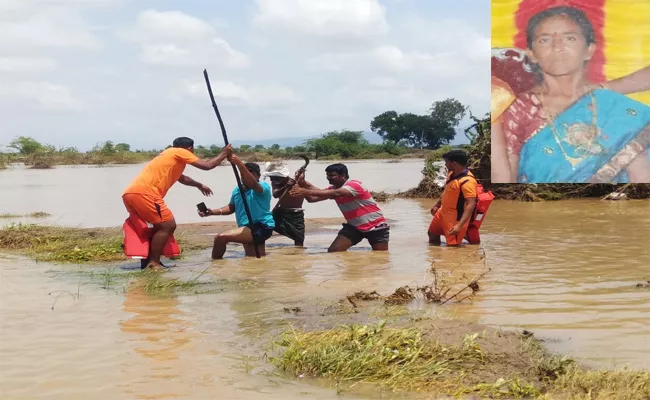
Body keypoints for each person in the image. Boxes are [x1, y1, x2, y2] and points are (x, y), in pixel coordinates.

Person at [491, 6, 650, 184]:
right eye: (544, 40)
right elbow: (504, 183)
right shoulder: (519, 109)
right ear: (532, 54)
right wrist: (494, 117)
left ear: (589, 50)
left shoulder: (616, 108)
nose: (558, 47)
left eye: (570, 38)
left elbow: (641, 177)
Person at [122, 137, 232, 269]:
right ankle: (154, 263)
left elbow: (182, 178)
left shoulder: (169, 155)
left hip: (130, 193)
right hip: (146, 193)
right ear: (190, 149)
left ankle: (147, 262)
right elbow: (207, 166)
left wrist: (199, 185)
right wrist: (224, 153)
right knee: (167, 226)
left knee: (153, 227)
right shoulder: (180, 151)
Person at [289, 163, 389, 252]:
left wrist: (304, 190)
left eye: (332, 175)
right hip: (354, 227)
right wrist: (301, 182)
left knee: (381, 256)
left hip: (375, 226)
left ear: (343, 176)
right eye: (327, 175)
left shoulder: (354, 185)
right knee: (334, 251)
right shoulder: (333, 189)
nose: (328, 178)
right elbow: (312, 198)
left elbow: (336, 193)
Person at [198, 154, 275, 259]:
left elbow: (252, 183)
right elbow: (231, 207)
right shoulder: (237, 190)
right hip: (245, 227)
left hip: (261, 226)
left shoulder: (263, 187)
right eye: (245, 175)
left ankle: (215, 266)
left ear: (258, 176)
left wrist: (239, 163)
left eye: (251, 175)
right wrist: (212, 212)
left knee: (221, 238)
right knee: (254, 258)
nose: (247, 177)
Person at [427, 150, 477, 247]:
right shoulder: (451, 175)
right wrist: (438, 204)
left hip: (455, 218)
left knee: (452, 247)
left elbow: (471, 204)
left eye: (446, 162)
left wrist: (459, 225)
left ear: (453, 163)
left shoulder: (467, 181)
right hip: (442, 212)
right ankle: (436, 258)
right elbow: (447, 192)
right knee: (432, 234)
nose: (445, 164)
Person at [264, 163, 308, 247]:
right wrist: (286, 187)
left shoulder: (298, 182)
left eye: (276, 178)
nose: (273, 180)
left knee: (299, 239)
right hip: (280, 211)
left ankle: (298, 255)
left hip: (296, 214)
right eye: (271, 178)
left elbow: (308, 192)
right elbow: (275, 194)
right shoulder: (276, 183)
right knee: (265, 228)